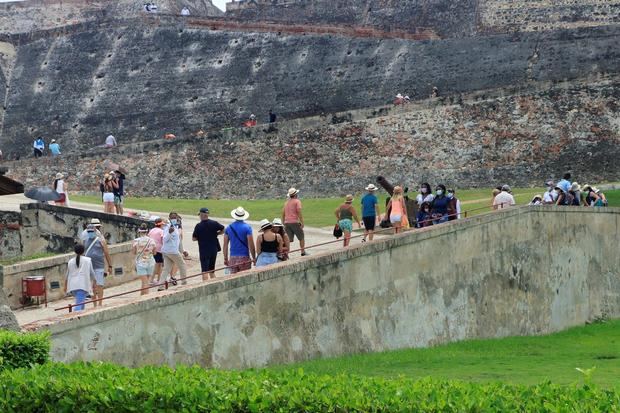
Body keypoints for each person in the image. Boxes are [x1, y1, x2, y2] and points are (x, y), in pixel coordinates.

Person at [83, 224, 113, 307]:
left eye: (91, 231)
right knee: (93, 287)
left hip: (99, 266)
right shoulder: (85, 241)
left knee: (100, 285)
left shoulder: (101, 241)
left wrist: (110, 266)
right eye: (89, 232)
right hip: (89, 267)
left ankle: (100, 303)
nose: (90, 233)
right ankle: (95, 304)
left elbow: (106, 253)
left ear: (95, 231)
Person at [192, 207, 225, 281]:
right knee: (212, 270)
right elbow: (223, 229)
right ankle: (215, 284)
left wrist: (201, 237)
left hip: (204, 250)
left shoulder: (198, 226)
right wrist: (217, 233)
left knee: (204, 271)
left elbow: (194, 238)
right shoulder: (214, 223)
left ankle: (205, 285)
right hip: (214, 249)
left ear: (201, 214)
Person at [63, 244, 96, 311]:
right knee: (78, 305)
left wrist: (65, 286)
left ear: (75, 251)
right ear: (83, 251)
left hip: (73, 286)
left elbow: (67, 275)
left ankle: (81, 315)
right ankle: (75, 316)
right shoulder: (88, 260)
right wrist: (95, 282)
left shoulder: (70, 261)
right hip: (82, 285)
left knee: (81, 302)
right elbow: (92, 273)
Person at [224, 207, 256, 274]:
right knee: (245, 279)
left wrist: (225, 258)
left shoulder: (228, 228)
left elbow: (225, 245)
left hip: (233, 258)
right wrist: (254, 258)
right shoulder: (247, 228)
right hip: (244, 257)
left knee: (234, 280)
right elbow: (251, 245)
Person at [160, 216, 187, 288]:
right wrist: (169, 233)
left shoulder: (175, 228)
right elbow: (165, 239)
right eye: (176, 220)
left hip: (168, 251)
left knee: (166, 268)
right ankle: (184, 282)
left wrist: (183, 250)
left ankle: (161, 286)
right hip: (172, 251)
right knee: (182, 265)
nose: (177, 222)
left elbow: (178, 241)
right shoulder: (168, 228)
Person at [132, 223, 156, 295]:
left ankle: (145, 297)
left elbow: (134, 252)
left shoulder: (136, 241)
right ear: (147, 231)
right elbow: (155, 253)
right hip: (150, 262)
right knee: (146, 281)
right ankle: (142, 295)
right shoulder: (151, 241)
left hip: (141, 263)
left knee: (144, 282)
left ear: (139, 231)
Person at [282, 188, 307, 256]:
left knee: (288, 239)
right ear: (295, 194)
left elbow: (283, 213)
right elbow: (299, 212)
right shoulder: (297, 201)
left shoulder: (286, 203)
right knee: (301, 237)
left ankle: (284, 252)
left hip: (287, 222)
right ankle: (302, 251)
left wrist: (283, 222)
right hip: (294, 222)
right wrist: (302, 222)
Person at [148, 218, 165, 285]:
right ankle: (153, 279)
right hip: (159, 250)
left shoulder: (151, 230)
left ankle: (157, 279)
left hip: (152, 249)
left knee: (157, 264)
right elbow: (163, 240)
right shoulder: (161, 231)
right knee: (158, 264)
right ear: (160, 225)